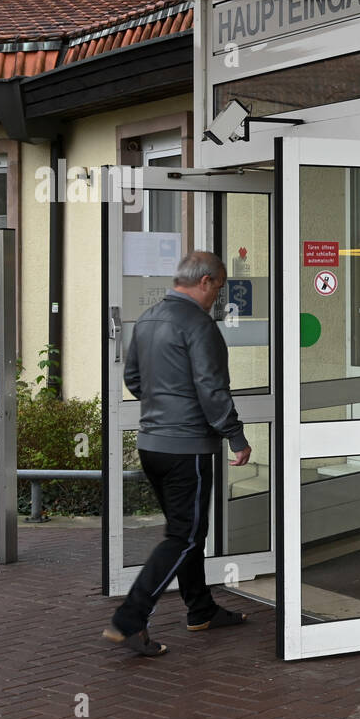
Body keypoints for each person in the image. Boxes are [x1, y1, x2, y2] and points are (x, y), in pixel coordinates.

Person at [103, 251, 252, 656]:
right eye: (219, 288)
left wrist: (164, 406)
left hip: (152, 445)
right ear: (204, 281)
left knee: (186, 534)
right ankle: (129, 620)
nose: (218, 297)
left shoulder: (148, 319)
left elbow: (133, 377)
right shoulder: (198, 325)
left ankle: (200, 609)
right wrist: (235, 437)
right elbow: (212, 388)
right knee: (184, 536)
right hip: (187, 448)